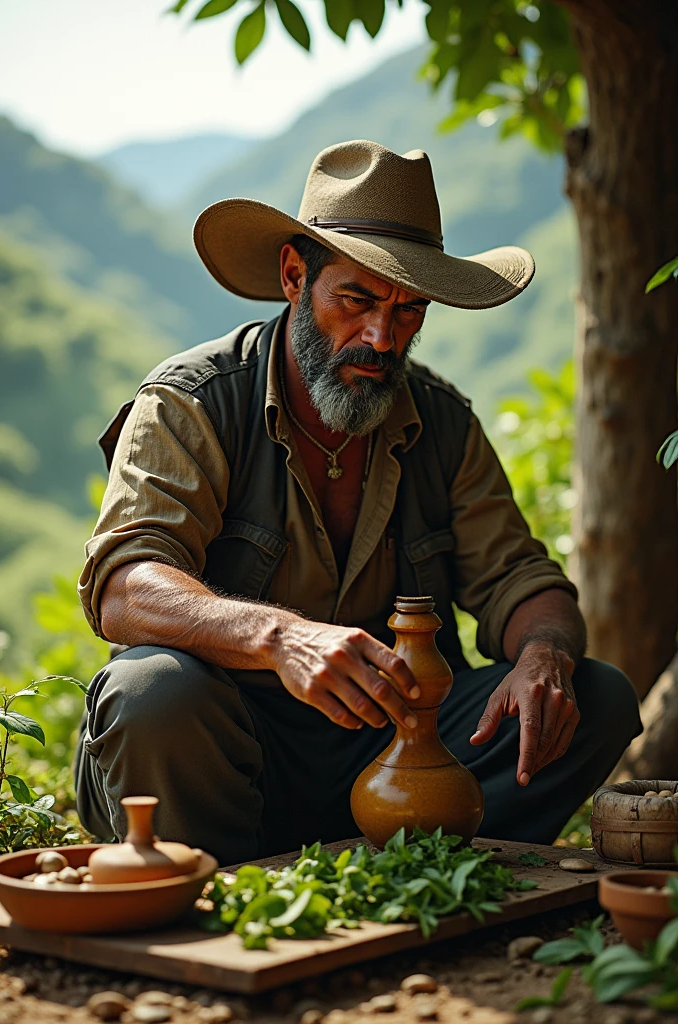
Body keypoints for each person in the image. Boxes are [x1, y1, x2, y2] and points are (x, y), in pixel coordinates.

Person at [75, 140, 641, 865]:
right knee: (151, 690)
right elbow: (125, 586)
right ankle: (215, 887)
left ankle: (411, 863)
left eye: (410, 311)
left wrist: (543, 657)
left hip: (394, 750)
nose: (382, 336)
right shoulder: (194, 403)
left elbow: (522, 582)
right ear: (292, 276)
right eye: (357, 300)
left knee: (596, 695)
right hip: (224, 746)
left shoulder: (442, 422)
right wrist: (282, 640)